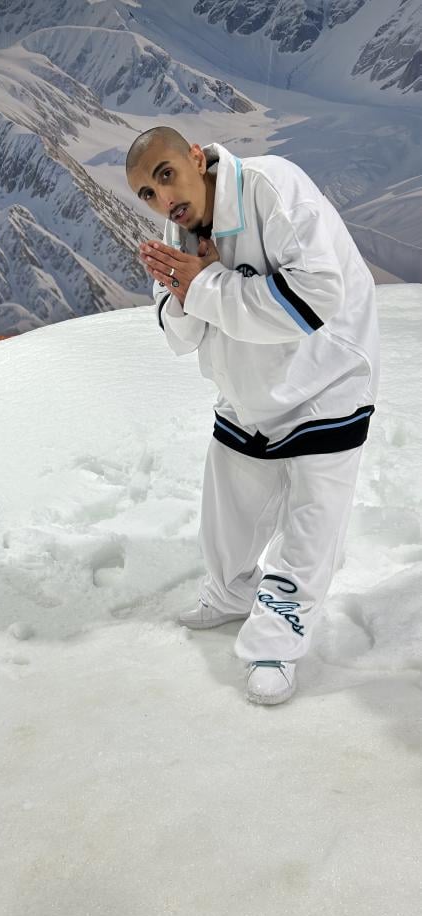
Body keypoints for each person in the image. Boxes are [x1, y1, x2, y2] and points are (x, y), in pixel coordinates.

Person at [125, 126, 379, 706]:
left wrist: (204, 285)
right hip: (246, 390)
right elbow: (178, 335)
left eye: (166, 175)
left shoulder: (273, 187)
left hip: (326, 383)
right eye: (147, 194)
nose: (163, 199)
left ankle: (275, 645)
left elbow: (313, 299)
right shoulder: (179, 228)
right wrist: (185, 292)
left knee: (310, 531)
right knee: (229, 517)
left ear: (196, 157)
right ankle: (232, 592)